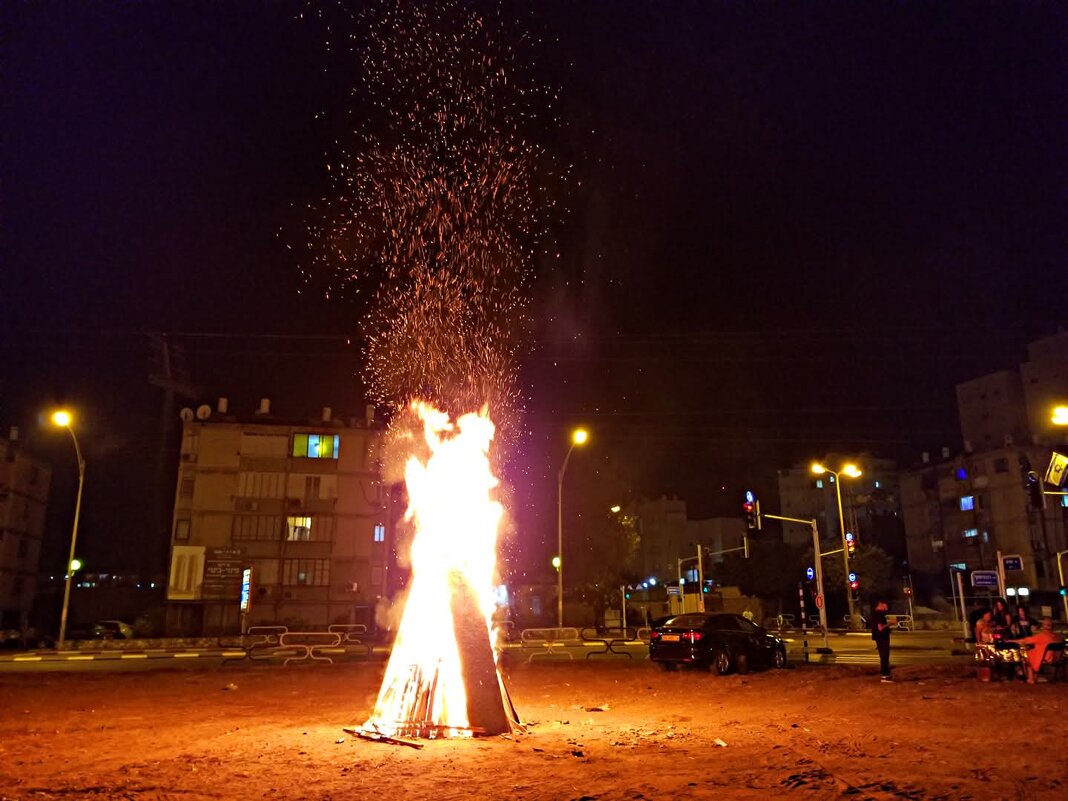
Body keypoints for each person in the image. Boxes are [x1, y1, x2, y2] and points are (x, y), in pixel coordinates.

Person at [1011, 617, 1063, 683]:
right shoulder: (1058, 637)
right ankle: (1034, 677)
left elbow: (1025, 641)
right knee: (1033, 653)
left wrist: (1011, 641)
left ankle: (1031, 678)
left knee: (1027, 656)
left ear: (1044, 626)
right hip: (1057, 658)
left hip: (1046, 658)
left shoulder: (1042, 636)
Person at [871, 599, 892, 682]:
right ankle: (885, 675)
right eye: (885, 606)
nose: (886, 608)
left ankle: (885, 674)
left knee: (883, 656)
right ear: (880, 604)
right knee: (884, 656)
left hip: (878, 637)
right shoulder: (879, 614)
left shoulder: (874, 613)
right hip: (882, 637)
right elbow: (880, 628)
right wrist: (890, 624)